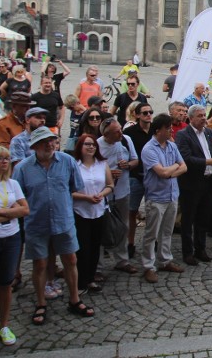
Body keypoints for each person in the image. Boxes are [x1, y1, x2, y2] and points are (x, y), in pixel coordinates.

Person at [14, 127, 93, 323]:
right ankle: (41, 303)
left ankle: (74, 299)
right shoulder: (22, 168)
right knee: (40, 264)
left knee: (70, 259)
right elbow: (17, 196)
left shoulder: (66, 161)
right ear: (34, 146)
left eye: (52, 140)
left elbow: (75, 186)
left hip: (63, 220)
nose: (49, 144)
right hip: (36, 223)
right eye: (44, 142)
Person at [0, 147, 28, 347]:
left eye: (7, 158)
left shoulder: (13, 183)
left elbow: (25, 209)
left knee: (6, 284)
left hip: (11, 239)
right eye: (0, 158)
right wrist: (10, 212)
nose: (4, 161)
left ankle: (4, 325)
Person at [140, 114, 187, 284]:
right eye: (168, 128)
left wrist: (171, 170)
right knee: (151, 233)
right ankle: (148, 266)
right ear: (158, 130)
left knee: (167, 231)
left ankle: (165, 260)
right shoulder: (149, 149)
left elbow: (184, 167)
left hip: (172, 195)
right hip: (156, 197)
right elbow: (162, 173)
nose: (171, 131)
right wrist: (173, 168)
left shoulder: (171, 146)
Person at [175, 105, 212, 265]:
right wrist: (208, 161)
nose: (204, 118)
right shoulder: (183, 135)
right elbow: (186, 159)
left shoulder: (210, 133)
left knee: (203, 218)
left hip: (208, 182)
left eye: (204, 115)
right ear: (191, 118)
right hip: (190, 183)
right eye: (199, 116)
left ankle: (200, 248)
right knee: (188, 219)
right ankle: (187, 252)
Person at [71, 134, 114, 293]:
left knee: (95, 247)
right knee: (82, 248)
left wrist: (102, 194)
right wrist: (86, 197)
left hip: (99, 210)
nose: (91, 147)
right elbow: (69, 191)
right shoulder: (74, 165)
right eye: (87, 144)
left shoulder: (102, 164)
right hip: (80, 211)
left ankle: (90, 278)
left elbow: (110, 185)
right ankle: (80, 281)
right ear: (80, 147)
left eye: (93, 145)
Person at [96, 118, 138, 276]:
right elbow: (89, 169)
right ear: (106, 134)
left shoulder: (126, 140)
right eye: (117, 131)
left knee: (122, 226)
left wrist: (128, 165)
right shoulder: (97, 145)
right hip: (103, 195)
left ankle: (122, 261)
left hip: (122, 192)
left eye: (120, 129)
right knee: (101, 229)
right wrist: (108, 174)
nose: (121, 133)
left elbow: (135, 160)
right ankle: (97, 267)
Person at [122, 102, 154, 267]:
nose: (148, 115)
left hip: (153, 177)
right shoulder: (129, 133)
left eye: (150, 112)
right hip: (135, 176)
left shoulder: (155, 130)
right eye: (145, 113)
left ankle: (151, 242)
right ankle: (130, 242)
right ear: (137, 115)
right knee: (132, 211)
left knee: (152, 211)